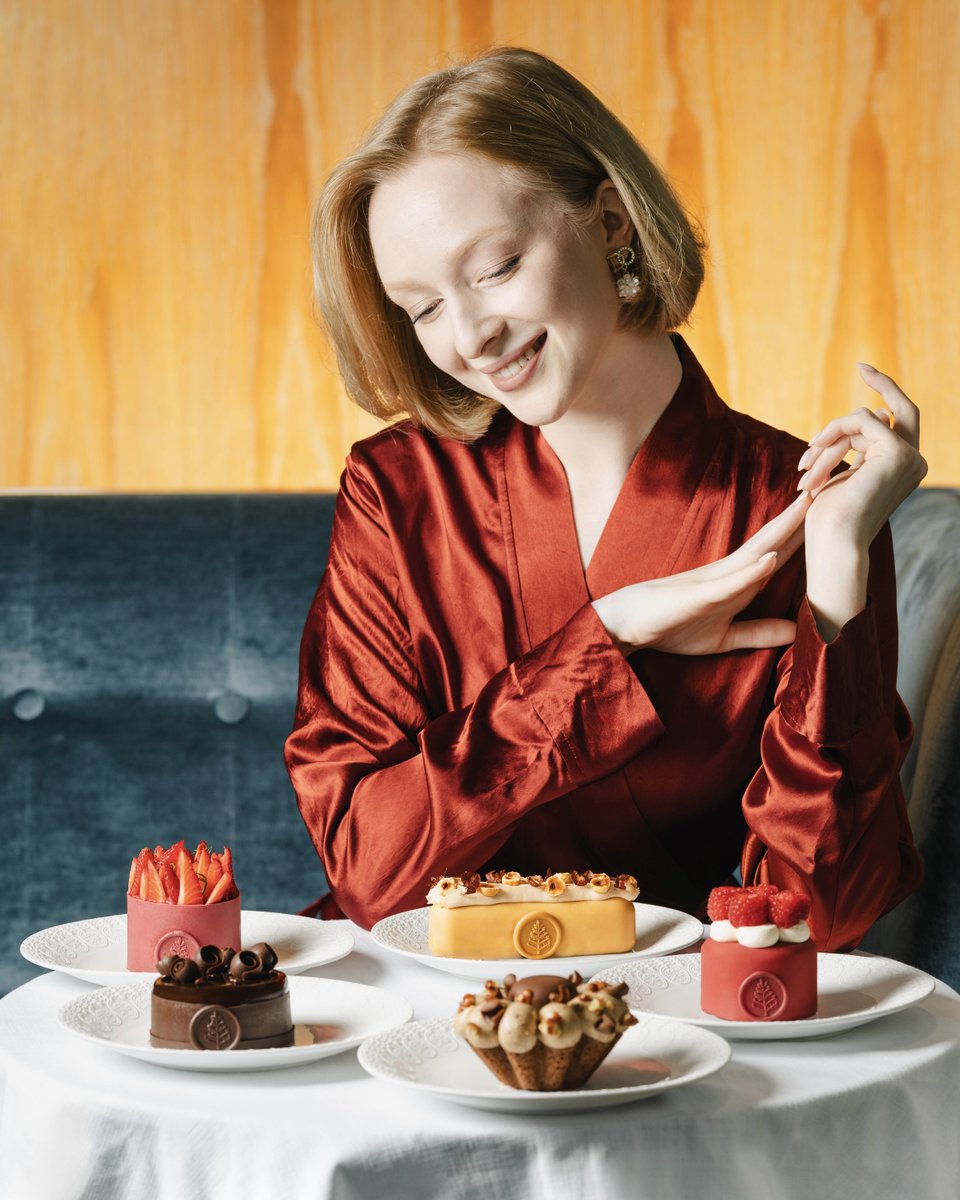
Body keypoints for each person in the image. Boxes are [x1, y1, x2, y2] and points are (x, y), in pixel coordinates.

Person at [284, 47, 925, 950]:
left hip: (673, 1037)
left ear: (613, 221)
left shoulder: (803, 509)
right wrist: (605, 641)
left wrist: (840, 568)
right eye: (422, 308)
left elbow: (822, 914)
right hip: (420, 1008)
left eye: (496, 267)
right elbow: (366, 865)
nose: (469, 337)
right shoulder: (396, 491)